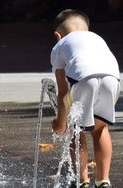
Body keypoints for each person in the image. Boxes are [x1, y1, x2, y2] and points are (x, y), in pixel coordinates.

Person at [50, 9, 120, 188]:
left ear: (57, 35)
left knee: (75, 129)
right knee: (100, 128)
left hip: (83, 79)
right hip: (113, 79)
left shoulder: (60, 45)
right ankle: (103, 180)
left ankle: (83, 180)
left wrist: (61, 122)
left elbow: (63, 92)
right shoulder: (97, 38)